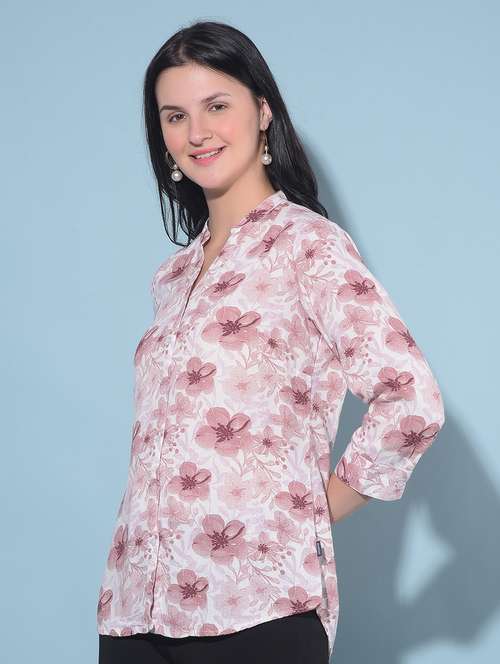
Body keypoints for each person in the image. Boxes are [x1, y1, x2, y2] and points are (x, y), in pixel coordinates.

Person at [97, 19, 446, 664]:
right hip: (133, 611)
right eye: (175, 116)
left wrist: (308, 512)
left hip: (256, 610)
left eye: (216, 106)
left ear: (263, 113)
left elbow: (411, 401)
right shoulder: (173, 277)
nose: (196, 132)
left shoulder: (308, 245)